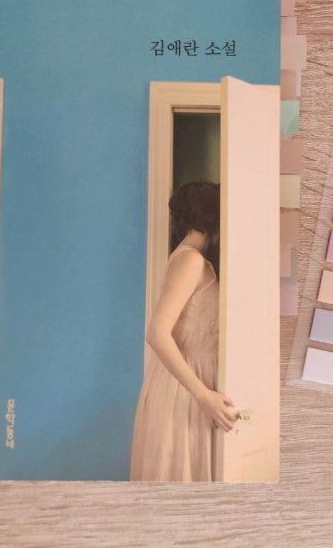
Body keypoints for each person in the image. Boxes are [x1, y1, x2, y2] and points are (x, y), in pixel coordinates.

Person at [130, 180, 236, 481]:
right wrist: (202, 395)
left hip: (186, 385)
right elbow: (157, 333)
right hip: (186, 388)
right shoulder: (190, 260)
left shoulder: (188, 257)